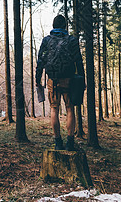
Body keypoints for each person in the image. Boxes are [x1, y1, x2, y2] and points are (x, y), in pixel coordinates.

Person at [35, 14, 85, 151]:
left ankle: (57, 141)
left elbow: (41, 61)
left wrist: (37, 79)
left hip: (53, 80)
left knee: (54, 109)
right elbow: (78, 61)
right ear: (64, 26)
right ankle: (70, 142)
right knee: (70, 109)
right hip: (70, 80)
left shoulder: (46, 40)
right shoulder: (72, 40)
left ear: (53, 26)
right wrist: (82, 79)